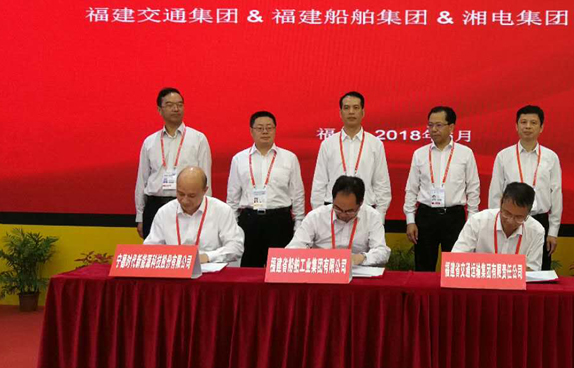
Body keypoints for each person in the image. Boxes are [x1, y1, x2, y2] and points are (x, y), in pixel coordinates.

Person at [404, 106, 480, 271]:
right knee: (423, 269)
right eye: (430, 125)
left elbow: (473, 190)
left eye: (439, 125)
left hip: (454, 217)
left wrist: (471, 222)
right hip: (426, 216)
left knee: (455, 268)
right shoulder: (419, 154)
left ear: (451, 127)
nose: (433, 130)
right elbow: (411, 189)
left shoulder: (465, 153)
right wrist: (410, 220)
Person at [227, 111, 305, 268]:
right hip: (250, 220)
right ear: (251, 131)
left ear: (275, 130)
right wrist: (232, 225)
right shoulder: (239, 159)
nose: (265, 132)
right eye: (260, 128)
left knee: (281, 270)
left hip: (279, 220)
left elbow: (297, 194)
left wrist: (299, 224)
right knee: (249, 271)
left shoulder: (289, 158)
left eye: (269, 128)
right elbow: (233, 196)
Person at [489, 105, 562, 270]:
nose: (528, 126)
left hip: (540, 219)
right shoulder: (503, 156)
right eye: (523, 122)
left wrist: (553, 232)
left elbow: (556, 194)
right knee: (507, 268)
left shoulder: (551, 157)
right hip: (510, 220)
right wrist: (498, 225)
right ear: (516, 126)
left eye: (533, 123)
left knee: (538, 271)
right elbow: (495, 194)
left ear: (541, 127)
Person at [135, 87, 212, 239]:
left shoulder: (198, 139)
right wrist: (140, 215)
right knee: (154, 252)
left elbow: (206, 179)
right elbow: (142, 180)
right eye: (170, 105)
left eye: (179, 104)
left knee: (185, 250)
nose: (176, 109)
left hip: (187, 206)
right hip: (155, 205)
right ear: (159, 110)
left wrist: (205, 213)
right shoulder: (150, 142)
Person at [310, 91, 391, 220]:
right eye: (346, 108)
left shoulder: (375, 144)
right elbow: (319, 183)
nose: (351, 112)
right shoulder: (328, 144)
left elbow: (382, 184)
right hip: (332, 210)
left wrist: (380, 216)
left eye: (356, 107)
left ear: (363, 112)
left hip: (365, 210)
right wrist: (319, 216)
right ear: (340, 113)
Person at [144, 167, 244, 265]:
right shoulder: (165, 212)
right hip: (175, 270)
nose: (185, 200)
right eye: (181, 194)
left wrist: (207, 257)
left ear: (205, 190)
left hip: (209, 271)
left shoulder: (221, 210)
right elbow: (150, 247)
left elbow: (235, 247)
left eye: (191, 196)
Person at [288, 176, 390, 266]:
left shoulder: (372, 217)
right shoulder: (315, 217)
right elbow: (292, 249)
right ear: (332, 200)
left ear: (361, 203)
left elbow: (382, 252)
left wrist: (361, 258)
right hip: (323, 271)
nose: (343, 214)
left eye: (349, 211)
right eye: (338, 209)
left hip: (357, 271)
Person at [452, 182, 545, 271]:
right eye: (507, 213)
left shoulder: (536, 231)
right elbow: (456, 259)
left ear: (528, 214)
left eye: (518, 217)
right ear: (501, 203)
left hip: (515, 282)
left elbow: (533, 270)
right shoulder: (477, 222)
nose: (510, 221)